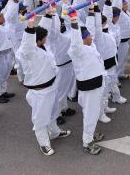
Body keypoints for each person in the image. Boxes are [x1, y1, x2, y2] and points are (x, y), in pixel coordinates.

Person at [16, 17, 71, 156]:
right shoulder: (28, 52)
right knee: (40, 119)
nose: (47, 39)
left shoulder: (43, 46)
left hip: (51, 87)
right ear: (38, 40)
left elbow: (41, 29)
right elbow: (28, 43)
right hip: (40, 92)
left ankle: (54, 133)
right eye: (44, 37)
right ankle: (44, 144)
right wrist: (29, 26)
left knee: (53, 112)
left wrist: (48, 15)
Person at [67, 9, 106, 155]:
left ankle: (91, 134)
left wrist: (91, 10)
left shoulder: (90, 45)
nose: (91, 36)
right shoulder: (78, 50)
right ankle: (87, 141)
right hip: (89, 88)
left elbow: (90, 29)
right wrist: (74, 22)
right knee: (90, 114)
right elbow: (76, 42)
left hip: (96, 86)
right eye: (88, 35)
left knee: (92, 113)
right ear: (83, 38)